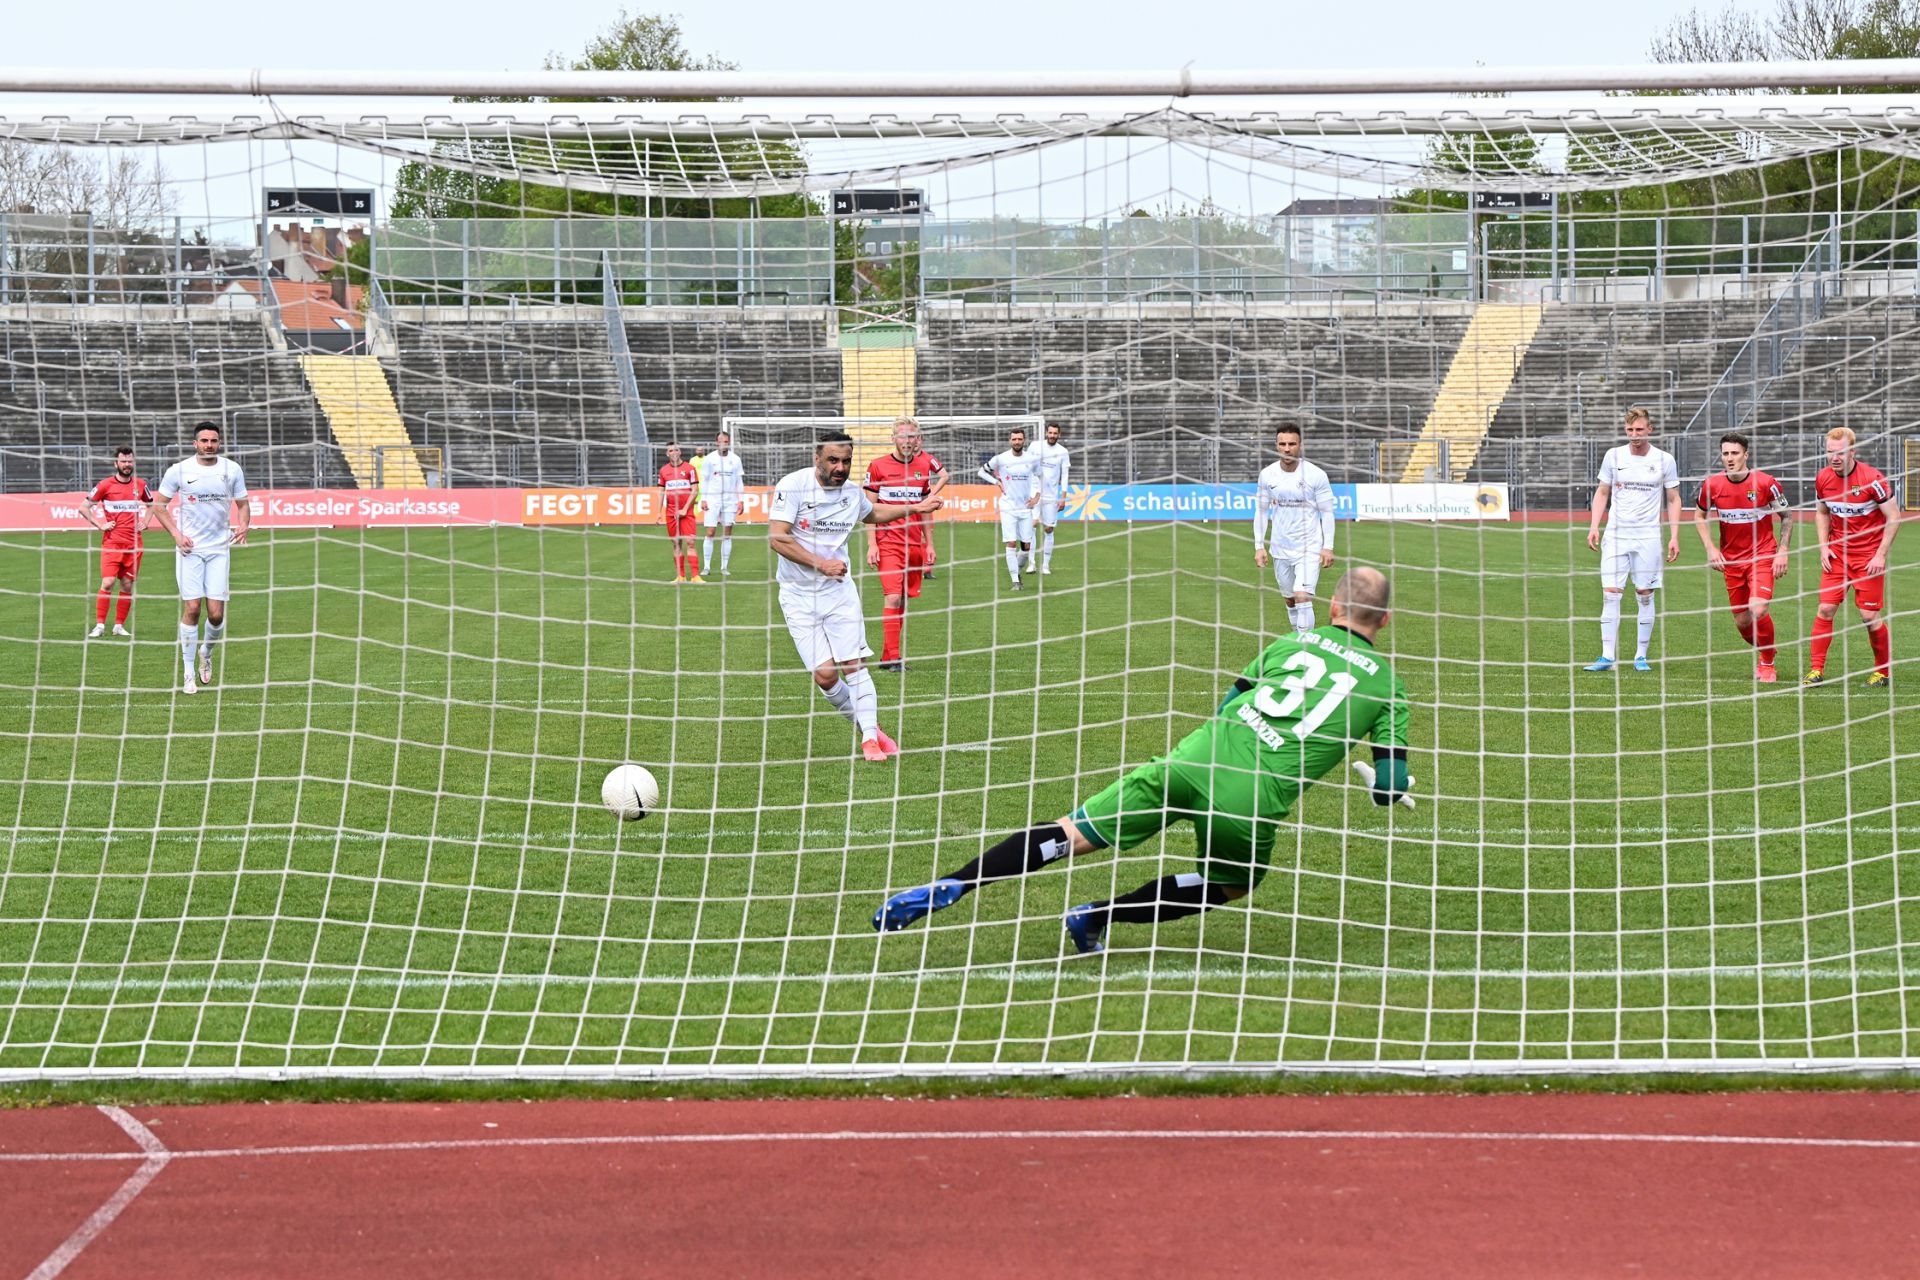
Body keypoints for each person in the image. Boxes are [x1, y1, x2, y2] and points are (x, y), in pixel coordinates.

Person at [873, 567, 1412, 953]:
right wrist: (1391, 781)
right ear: (1384, 621)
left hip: (1193, 758)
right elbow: (1388, 787)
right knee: (1233, 883)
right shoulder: (1389, 686)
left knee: (1070, 832)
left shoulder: (1290, 644)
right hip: (1248, 799)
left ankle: (958, 882)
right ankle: (1097, 916)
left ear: (1335, 607)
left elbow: (1228, 703)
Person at [769, 432, 944, 762]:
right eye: (833, 460)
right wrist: (821, 564)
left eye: (846, 461)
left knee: (853, 664)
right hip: (798, 595)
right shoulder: (793, 486)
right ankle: (871, 727)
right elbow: (777, 539)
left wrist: (916, 507)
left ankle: (869, 741)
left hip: (839, 592)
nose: (840, 467)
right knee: (825, 675)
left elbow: (872, 513)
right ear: (817, 458)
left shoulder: (851, 493)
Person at [147, 422, 249, 696]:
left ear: (220, 442)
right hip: (189, 550)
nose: (209, 445)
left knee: (215, 615)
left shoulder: (231, 469)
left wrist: (243, 524)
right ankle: (188, 672)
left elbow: (243, 504)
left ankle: (207, 652)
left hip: (219, 549)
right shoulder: (179, 470)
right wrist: (177, 535)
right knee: (192, 608)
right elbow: (159, 506)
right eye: (204, 440)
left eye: (213, 441)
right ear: (195, 443)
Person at [1584, 407, 1681, 672]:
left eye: (1639, 430)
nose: (1634, 435)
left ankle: (1640, 656)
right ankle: (1606, 656)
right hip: (1616, 534)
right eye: (1629, 430)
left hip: (1648, 536)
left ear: (1650, 429)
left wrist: (1674, 535)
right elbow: (1602, 492)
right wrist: (1594, 525)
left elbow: (1673, 498)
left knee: (1645, 594)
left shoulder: (1664, 460)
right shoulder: (1613, 456)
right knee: (1610, 595)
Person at [1692, 432, 1791, 683]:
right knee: (1742, 621)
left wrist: (1783, 551)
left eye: (1735, 453)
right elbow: (1699, 517)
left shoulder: (1766, 483)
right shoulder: (1711, 485)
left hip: (1763, 554)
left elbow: (1787, 517)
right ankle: (1767, 650)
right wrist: (1711, 549)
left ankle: (1768, 664)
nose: (1729, 458)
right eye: (1725, 453)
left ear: (1746, 455)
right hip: (1732, 560)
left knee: (1758, 608)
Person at [1808, 426, 1900, 687]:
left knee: (1869, 617)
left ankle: (1882, 672)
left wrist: (1880, 555)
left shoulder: (1873, 479)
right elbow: (1822, 513)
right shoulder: (1823, 478)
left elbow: (1893, 517)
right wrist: (1824, 547)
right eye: (1829, 453)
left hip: (1868, 558)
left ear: (1852, 452)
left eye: (1840, 453)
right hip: (1837, 556)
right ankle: (1816, 671)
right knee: (1825, 609)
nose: (1834, 458)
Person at [864, 418, 947, 672]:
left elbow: (924, 511)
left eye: (912, 436)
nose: (907, 441)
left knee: (903, 601)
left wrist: (929, 544)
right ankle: (895, 659)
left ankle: (888, 656)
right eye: (902, 436)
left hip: (914, 546)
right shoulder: (877, 467)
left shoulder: (923, 466)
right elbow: (868, 510)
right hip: (888, 542)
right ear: (893, 438)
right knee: (893, 597)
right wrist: (872, 545)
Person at [1252, 424, 1337, 633]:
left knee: (1302, 595)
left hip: (1309, 547)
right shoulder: (1267, 475)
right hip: (1280, 547)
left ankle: (1305, 648)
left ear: (1300, 445)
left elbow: (1327, 512)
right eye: (1282, 444)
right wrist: (1259, 546)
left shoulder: (1316, 475)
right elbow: (1261, 511)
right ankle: (1299, 637)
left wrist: (1328, 546)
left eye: (1292, 444)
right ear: (1276, 446)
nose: (1287, 448)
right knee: (1290, 599)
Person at [82, 445, 152, 638]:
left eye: (130, 461)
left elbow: (153, 505)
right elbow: (84, 507)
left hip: (134, 544)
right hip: (112, 543)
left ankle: (119, 626)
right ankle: (99, 625)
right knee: (108, 582)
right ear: (116, 463)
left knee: (127, 585)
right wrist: (100, 525)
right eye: (123, 461)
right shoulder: (105, 485)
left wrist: (146, 521)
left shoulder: (140, 484)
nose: (127, 464)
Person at [980, 427, 1041, 590]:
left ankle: (1017, 570)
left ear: (1024, 440)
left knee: (1027, 547)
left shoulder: (1032, 459)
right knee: (1011, 542)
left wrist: (1037, 496)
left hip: (1025, 507)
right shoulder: (1001, 459)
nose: (1017, 442)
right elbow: (982, 472)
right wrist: (996, 482)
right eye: (1014, 439)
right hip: (1007, 506)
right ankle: (1015, 580)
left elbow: (1040, 476)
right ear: (1010, 441)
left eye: (1019, 439)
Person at [700, 431, 746, 578]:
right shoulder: (709, 459)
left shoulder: (736, 459)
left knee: (727, 533)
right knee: (710, 532)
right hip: (712, 499)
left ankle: (724, 567)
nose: (723, 444)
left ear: (729, 442)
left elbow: (739, 481)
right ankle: (706, 567)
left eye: (726, 441)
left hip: (730, 500)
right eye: (720, 441)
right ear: (716, 443)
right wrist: (704, 499)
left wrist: (741, 500)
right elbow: (705, 480)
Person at [1030, 422, 1072, 575]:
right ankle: (1031, 562)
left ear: (1059, 435)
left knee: (1049, 528)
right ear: (1046, 433)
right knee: (1032, 525)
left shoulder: (1063, 451)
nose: (1052, 435)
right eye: (1050, 433)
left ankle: (1045, 565)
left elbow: (1065, 475)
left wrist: (1063, 497)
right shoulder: (1035, 446)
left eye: (1055, 433)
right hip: (1034, 493)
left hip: (1051, 495)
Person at [657, 443, 701, 583]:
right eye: (671, 450)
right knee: (676, 543)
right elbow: (661, 492)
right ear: (667, 454)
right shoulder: (664, 471)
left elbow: (695, 490)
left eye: (676, 449)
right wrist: (658, 512)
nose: (674, 452)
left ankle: (695, 576)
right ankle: (680, 576)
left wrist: (685, 509)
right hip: (671, 513)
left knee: (690, 542)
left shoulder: (690, 469)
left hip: (686, 513)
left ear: (680, 452)